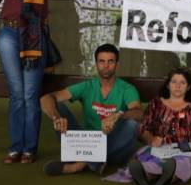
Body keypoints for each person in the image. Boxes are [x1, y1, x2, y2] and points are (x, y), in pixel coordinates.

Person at [0, 0, 126, 164]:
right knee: (16, 94)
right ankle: (15, 148)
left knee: (30, 95)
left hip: (35, 37)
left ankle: (29, 149)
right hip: (8, 35)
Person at [40, 44, 142, 175]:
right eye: (102, 61)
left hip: (114, 147)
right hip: (87, 144)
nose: (106, 66)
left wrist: (119, 114)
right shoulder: (87, 86)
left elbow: (139, 113)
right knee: (57, 107)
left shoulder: (127, 89)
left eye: (110, 61)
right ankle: (94, 161)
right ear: (96, 64)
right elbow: (46, 98)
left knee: (132, 124)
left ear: (117, 64)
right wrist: (56, 117)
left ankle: (79, 165)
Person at [106, 68, 191, 185]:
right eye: (174, 82)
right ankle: (146, 177)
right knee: (149, 158)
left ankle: (168, 178)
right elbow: (143, 127)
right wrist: (151, 139)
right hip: (159, 146)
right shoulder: (156, 103)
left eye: (182, 82)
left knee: (183, 161)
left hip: (185, 148)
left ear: (188, 87)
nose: (177, 85)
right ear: (168, 85)